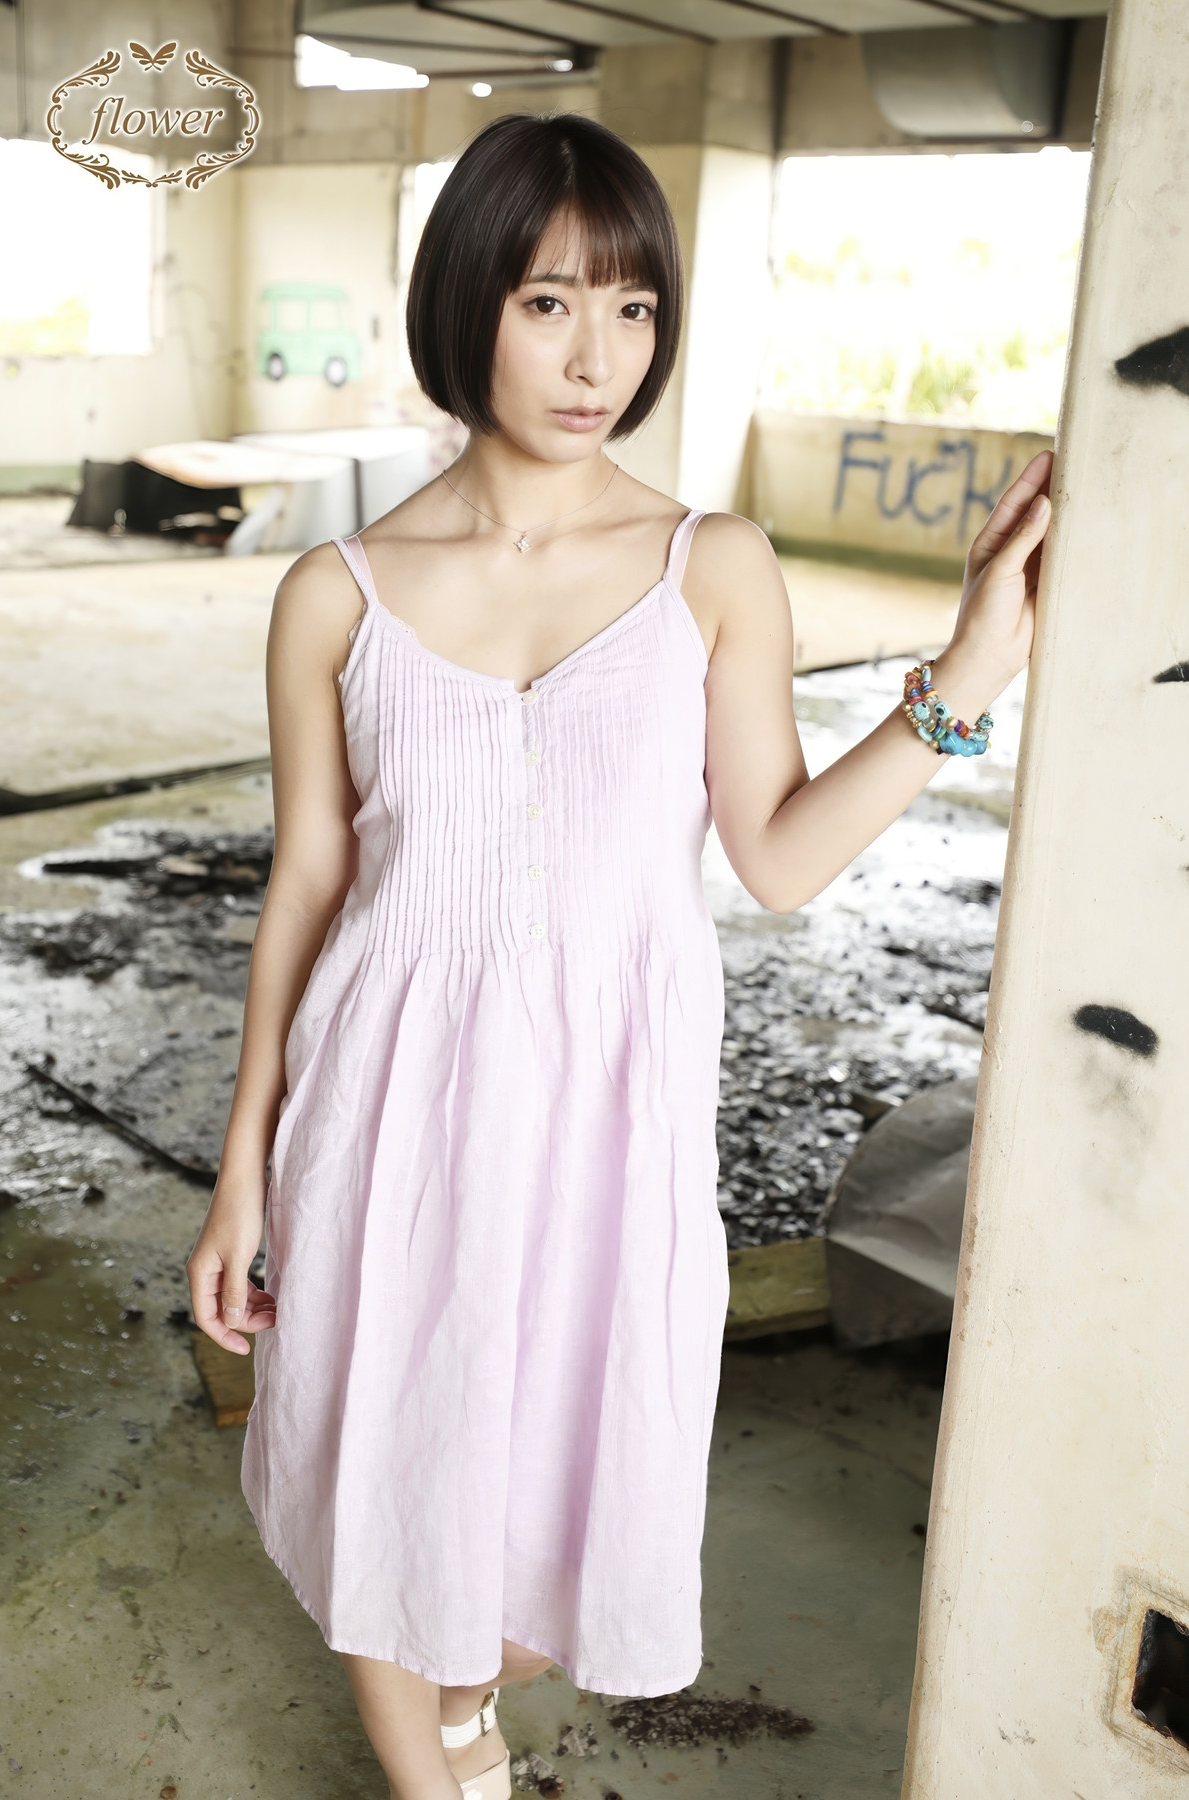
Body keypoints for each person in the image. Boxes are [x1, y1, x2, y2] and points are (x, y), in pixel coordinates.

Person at [185, 112, 1051, 1800]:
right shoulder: (335, 596)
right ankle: (437, 1767)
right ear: (466, 305)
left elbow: (779, 857)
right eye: (550, 304)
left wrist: (966, 673)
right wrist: (241, 1172)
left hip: (606, 1123)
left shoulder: (709, 567)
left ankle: (461, 1705)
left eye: (635, 307)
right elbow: (307, 887)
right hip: (382, 1111)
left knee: (552, 1531)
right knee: (386, 1480)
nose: (600, 358)